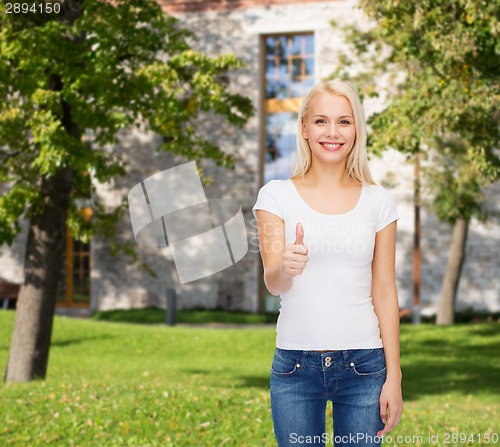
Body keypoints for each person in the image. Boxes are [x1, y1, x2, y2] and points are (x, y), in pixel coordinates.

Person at [252, 79, 403, 447]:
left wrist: (394, 376)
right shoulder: (275, 196)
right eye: (320, 121)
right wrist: (286, 267)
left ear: (356, 130)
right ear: (303, 128)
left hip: (365, 365)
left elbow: (384, 291)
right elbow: (273, 283)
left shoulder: (378, 202)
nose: (332, 132)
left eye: (344, 121)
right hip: (295, 368)